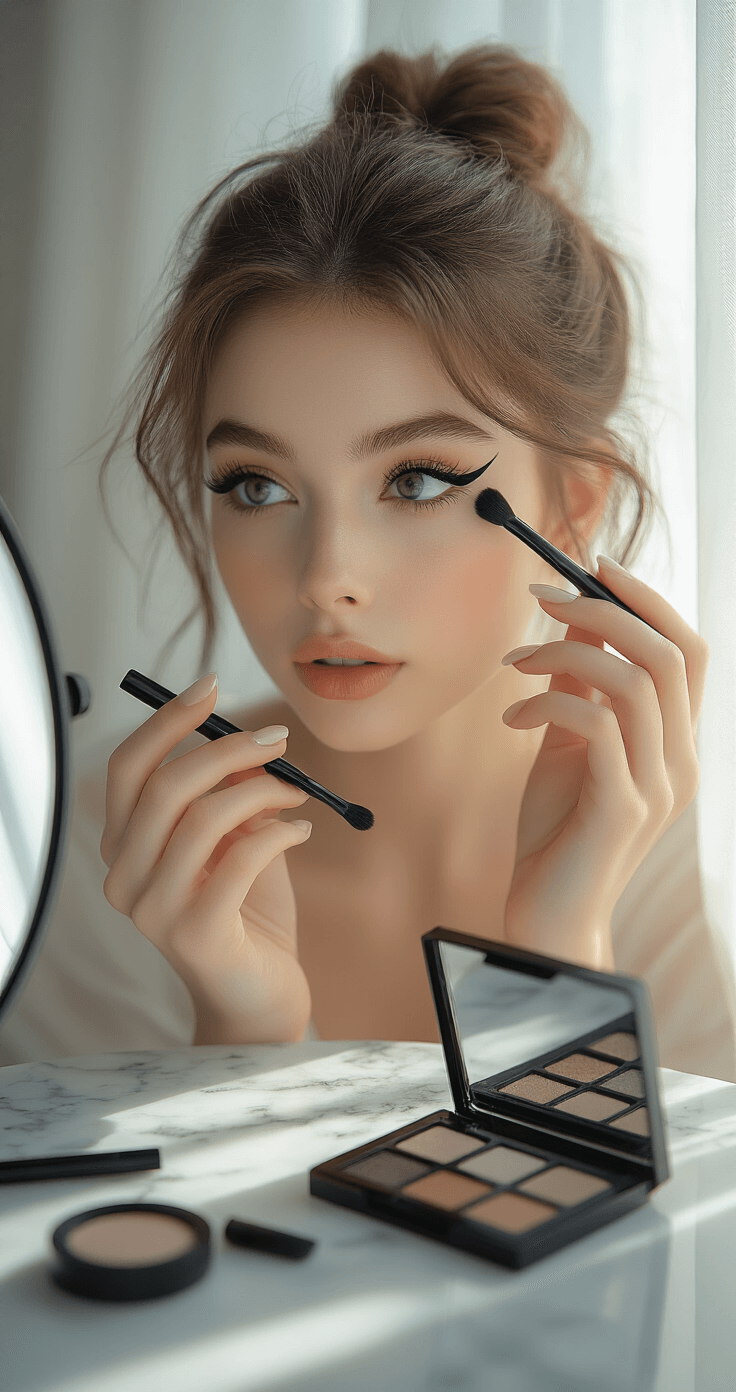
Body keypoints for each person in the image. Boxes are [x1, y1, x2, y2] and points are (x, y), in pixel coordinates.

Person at [2, 44, 734, 1078]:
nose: (324, 578)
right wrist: (241, 1033)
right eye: (256, 486)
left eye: (417, 480)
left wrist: (559, 949)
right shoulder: (89, 856)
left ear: (572, 502)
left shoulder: (700, 871)